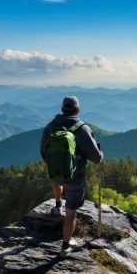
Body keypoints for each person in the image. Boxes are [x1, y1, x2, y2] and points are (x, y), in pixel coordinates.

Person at [40, 96, 103, 257]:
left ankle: (57, 205)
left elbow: (43, 150)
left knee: (57, 182)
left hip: (56, 173)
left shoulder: (50, 126)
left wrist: (53, 164)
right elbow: (95, 157)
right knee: (71, 214)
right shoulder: (82, 129)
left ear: (62, 109)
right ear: (77, 110)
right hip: (76, 176)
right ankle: (65, 247)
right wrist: (101, 154)